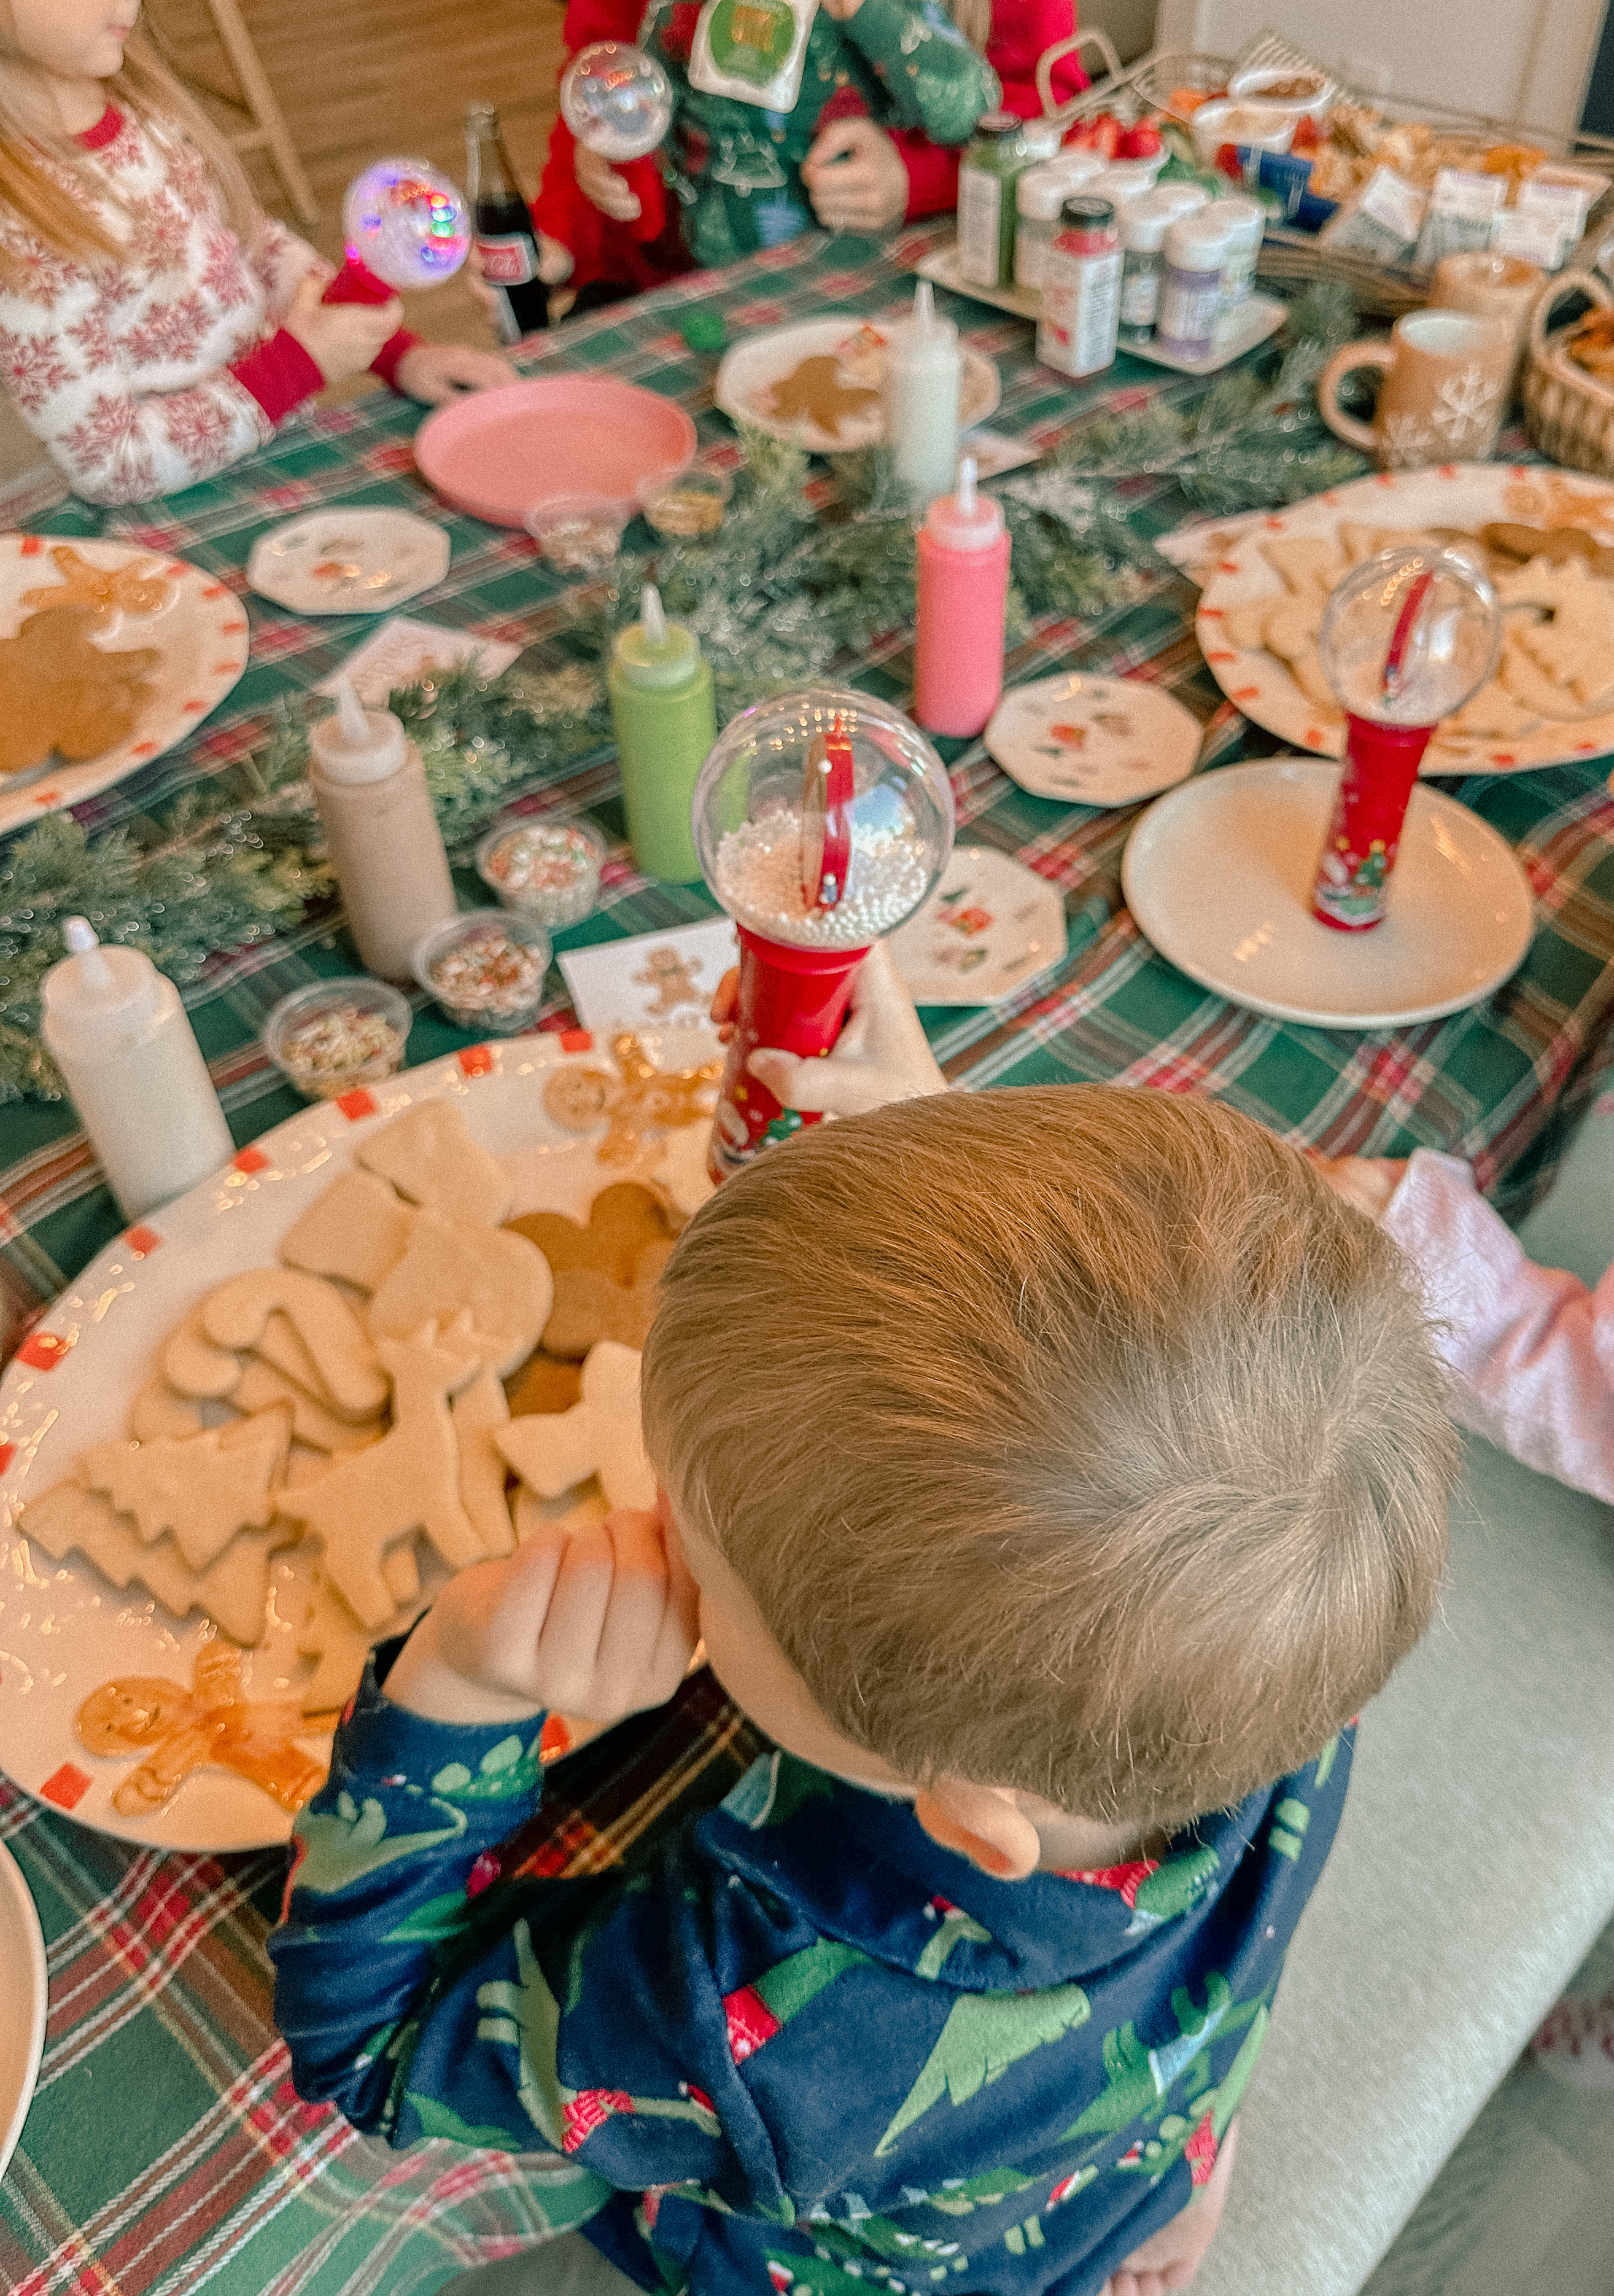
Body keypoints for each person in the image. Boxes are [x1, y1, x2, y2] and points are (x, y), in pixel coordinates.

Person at [270, 954, 1457, 2296]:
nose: (651, 1527)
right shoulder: (1281, 1674)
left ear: (963, 1814)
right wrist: (940, 1176)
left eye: (703, 1567)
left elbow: (368, 2043)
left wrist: (456, 1688)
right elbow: (1112, 1409)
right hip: (1125, 2156)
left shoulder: (747, 2019)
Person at [0, 0, 511, 505]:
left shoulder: (141, 106)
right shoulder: (16, 226)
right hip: (155, 529)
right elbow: (113, 465)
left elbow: (249, 244)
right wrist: (298, 365)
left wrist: (396, 353)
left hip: (267, 462)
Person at [562, 0, 1085, 273]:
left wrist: (918, 175)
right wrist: (619, 149)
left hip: (881, 271)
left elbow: (1014, 109)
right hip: (693, 281)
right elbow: (627, 82)